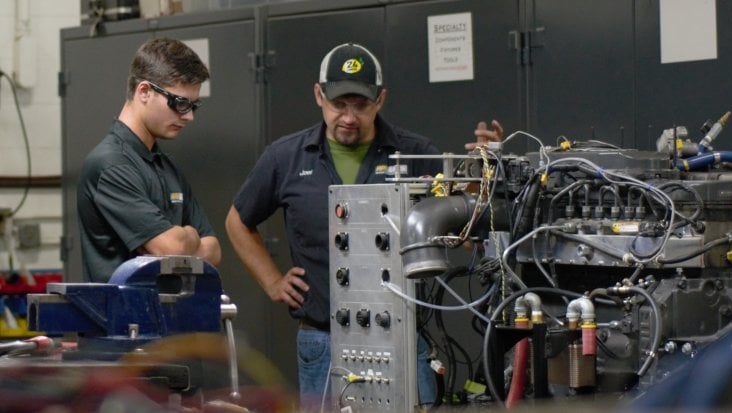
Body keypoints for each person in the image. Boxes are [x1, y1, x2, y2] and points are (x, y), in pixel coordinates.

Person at [225, 42, 501, 410]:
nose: (350, 117)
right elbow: (237, 221)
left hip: (402, 337)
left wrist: (484, 175)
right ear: (318, 96)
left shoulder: (416, 154)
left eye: (361, 105)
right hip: (321, 338)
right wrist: (272, 281)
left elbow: (464, 234)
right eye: (339, 104)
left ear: (381, 100)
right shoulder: (285, 158)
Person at [77, 37, 221, 283]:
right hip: (123, 318)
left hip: (171, 317)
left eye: (193, 106)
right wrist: (188, 237)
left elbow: (214, 251)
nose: (188, 117)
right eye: (179, 103)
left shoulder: (167, 166)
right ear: (144, 91)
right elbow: (172, 249)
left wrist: (180, 241)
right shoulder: (110, 165)